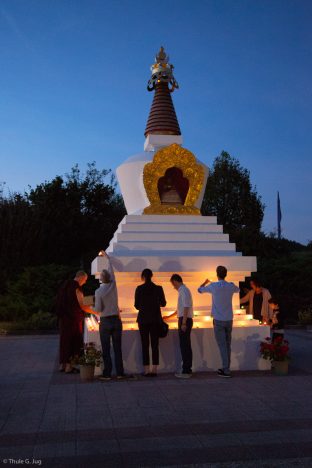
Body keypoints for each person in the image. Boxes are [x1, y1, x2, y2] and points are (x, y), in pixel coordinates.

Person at [198, 266, 239, 378]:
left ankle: (226, 370)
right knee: (227, 344)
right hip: (229, 319)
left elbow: (199, 290)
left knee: (222, 345)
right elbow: (238, 289)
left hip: (218, 320)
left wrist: (205, 282)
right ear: (226, 274)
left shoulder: (213, 286)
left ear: (217, 274)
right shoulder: (230, 286)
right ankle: (227, 368)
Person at [56, 270, 99, 374]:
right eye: (84, 280)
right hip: (73, 319)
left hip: (63, 318)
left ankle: (62, 365)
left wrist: (93, 299)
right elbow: (82, 305)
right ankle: (69, 367)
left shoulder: (65, 285)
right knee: (73, 341)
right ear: (80, 277)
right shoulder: (76, 287)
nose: (84, 282)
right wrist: (96, 311)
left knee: (64, 341)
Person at [95, 252, 130, 381]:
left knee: (106, 348)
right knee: (117, 348)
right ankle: (120, 373)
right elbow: (112, 270)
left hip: (105, 321)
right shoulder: (113, 285)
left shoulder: (99, 292)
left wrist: (92, 307)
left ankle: (107, 373)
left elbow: (98, 309)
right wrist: (108, 258)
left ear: (101, 279)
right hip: (116, 320)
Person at [134, 269, 167, 376]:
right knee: (154, 344)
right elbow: (163, 303)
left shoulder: (139, 289)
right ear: (152, 276)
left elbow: (137, 306)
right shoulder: (158, 288)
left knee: (144, 344)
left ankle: (146, 369)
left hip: (143, 319)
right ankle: (154, 369)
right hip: (155, 319)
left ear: (143, 277)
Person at [169, 274, 193, 379]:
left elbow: (186, 307)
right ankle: (187, 369)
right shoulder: (184, 290)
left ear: (175, 281)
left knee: (185, 345)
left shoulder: (183, 290)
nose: (173, 287)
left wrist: (183, 323)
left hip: (185, 320)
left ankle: (186, 370)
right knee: (185, 345)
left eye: (173, 284)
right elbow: (181, 308)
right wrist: (169, 316)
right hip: (185, 319)